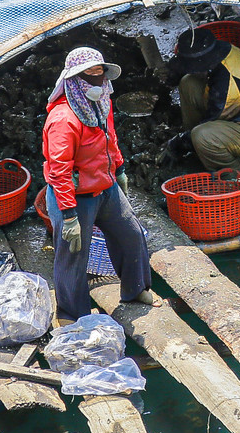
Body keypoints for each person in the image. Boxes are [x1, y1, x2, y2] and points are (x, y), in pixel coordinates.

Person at [43, 46, 159, 324]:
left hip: (106, 187)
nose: (97, 78)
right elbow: (59, 170)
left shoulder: (102, 103)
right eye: (89, 74)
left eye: (100, 72)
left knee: (131, 234)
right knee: (73, 254)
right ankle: (71, 313)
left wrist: (119, 170)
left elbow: (111, 139)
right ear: (74, 79)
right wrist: (68, 215)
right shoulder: (63, 119)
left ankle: (136, 289)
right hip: (74, 197)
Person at [170, 27, 240, 172]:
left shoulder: (226, 88)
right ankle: (198, 146)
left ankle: (232, 175)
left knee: (202, 136)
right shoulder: (224, 50)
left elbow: (212, 117)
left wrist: (180, 142)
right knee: (188, 82)